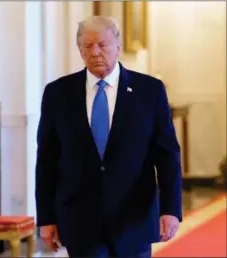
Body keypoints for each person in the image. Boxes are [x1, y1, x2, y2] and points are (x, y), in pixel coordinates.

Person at [35, 16, 182, 258]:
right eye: (87, 45)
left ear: (118, 47)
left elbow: (167, 155)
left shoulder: (150, 91)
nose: (95, 52)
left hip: (133, 218)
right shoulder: (58, 93)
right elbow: (47, 161)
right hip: (79, 219)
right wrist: (47, 218)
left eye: (102, 45)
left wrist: (170, 210)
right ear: (80, 51)